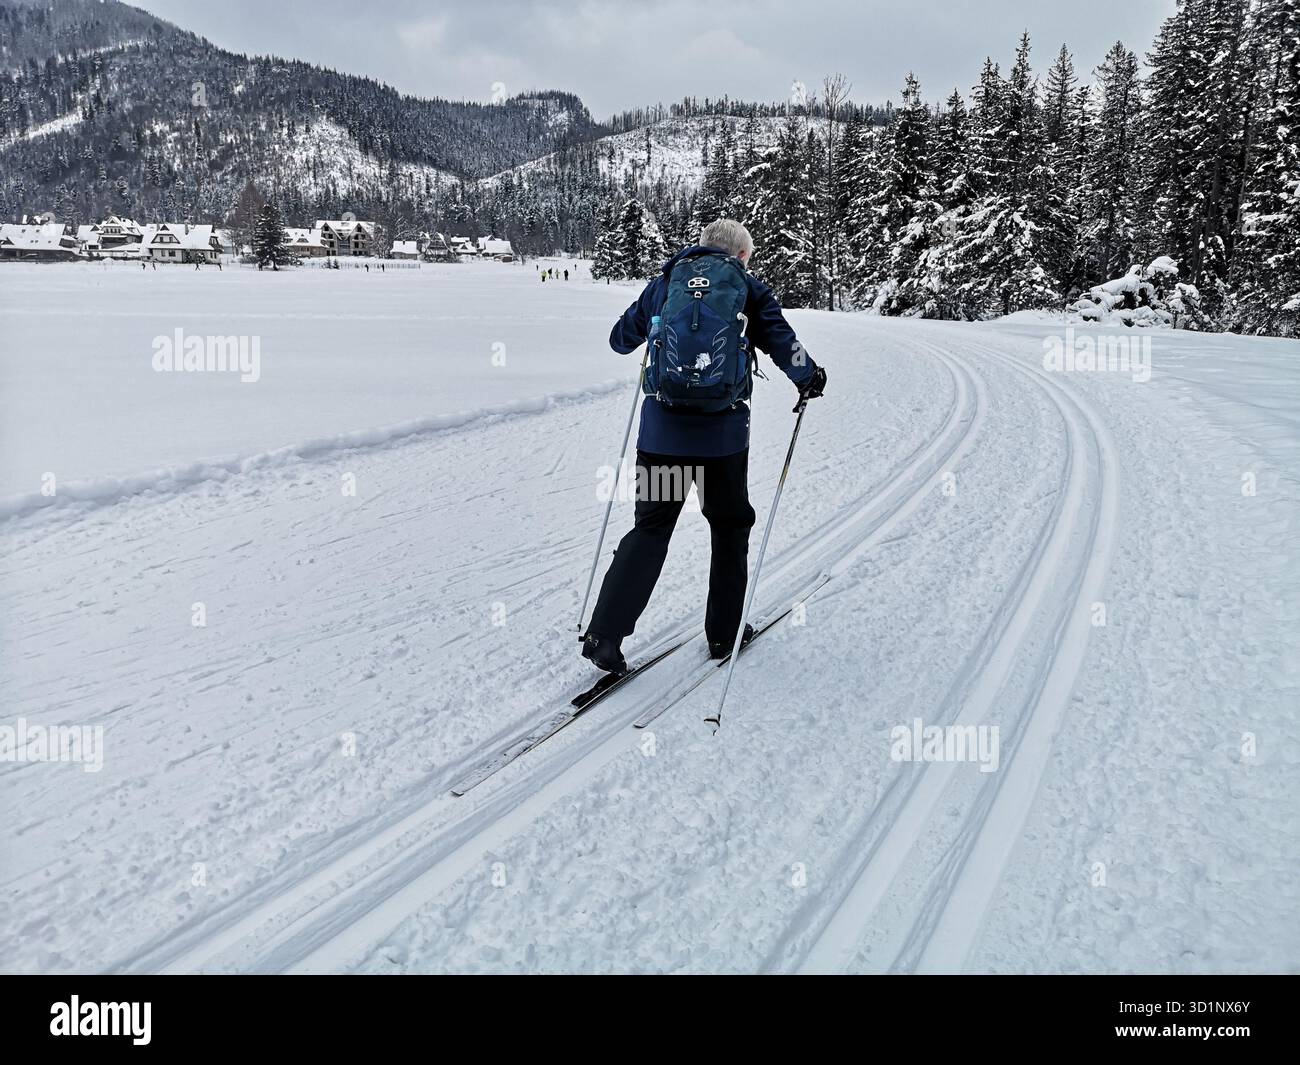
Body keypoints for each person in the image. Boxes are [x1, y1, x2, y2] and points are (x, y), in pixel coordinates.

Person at [581, 219, 827, 673]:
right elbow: (784, 344)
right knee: (730, 528)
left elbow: (620, 340)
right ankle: (723, 636)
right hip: (723, 443)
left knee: (650, 529)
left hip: (660, 437)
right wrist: (809, 377)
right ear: (741, 256)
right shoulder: (749, 290)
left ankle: (605, 635)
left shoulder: (667, 283)